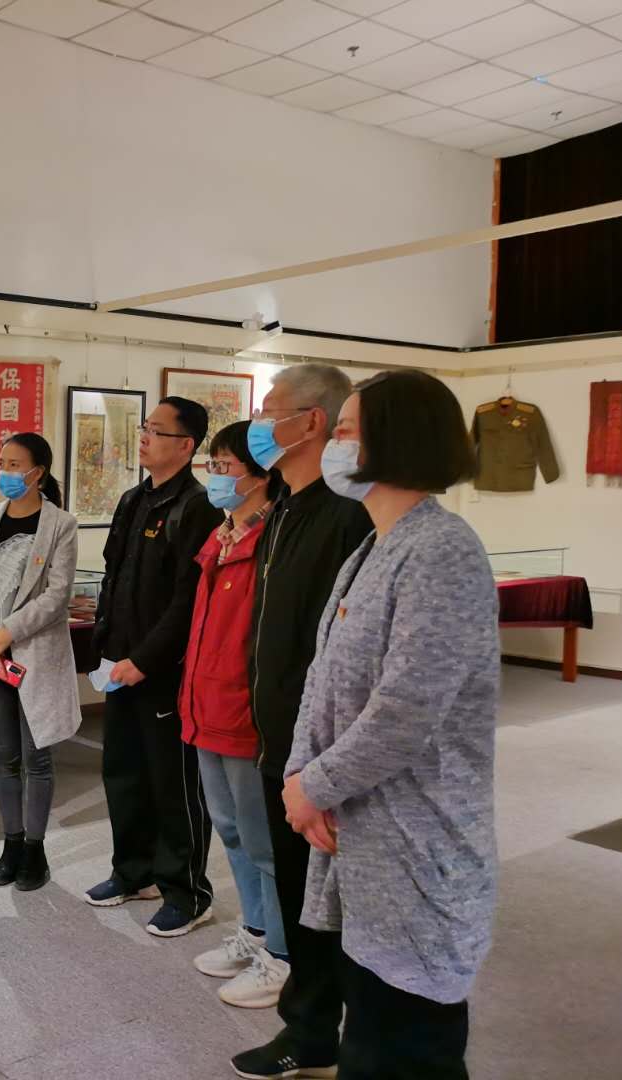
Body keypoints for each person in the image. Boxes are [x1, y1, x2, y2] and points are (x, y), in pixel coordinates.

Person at [282, 370, 497, 1079]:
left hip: (416, 836)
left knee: (405, 1044)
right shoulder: (373, 548)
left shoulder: (442, 550)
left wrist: (314, 785)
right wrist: (301, 777)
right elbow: (324, 680)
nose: (334, 445)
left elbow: (405, 711)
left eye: (345, 430)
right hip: (361, 830)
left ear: (397, 440)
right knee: (370, 1030)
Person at [231, 364, 372, 1080]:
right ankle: (310, 1027)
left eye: (269, 411)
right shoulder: (285, 505)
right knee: (296, 890)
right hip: (276, 734)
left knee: (329, 902)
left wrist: (321, 762)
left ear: (312, 421)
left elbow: (345, 655)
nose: (260, 425)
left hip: (319, 748)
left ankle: (322, 1027)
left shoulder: (348, 515)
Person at [85, 397, 224, 935]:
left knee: (174, 784)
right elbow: (113, 577)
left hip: (164, 670)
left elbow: (189, 600)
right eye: (144, 427)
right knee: (123, 773)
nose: (143, 437)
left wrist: (145, 660)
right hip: (119, 664)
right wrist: (106, 645)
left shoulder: (197, 507)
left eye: (156, 430)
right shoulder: (133, 499)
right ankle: (133, 871)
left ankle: (187, 892)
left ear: (185, 445)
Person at [177, 421, 286, 1009]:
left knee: (264, 840)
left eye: (224, 466)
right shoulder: (221, 536)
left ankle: (283, 955)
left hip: (243, 712)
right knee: (231, 829)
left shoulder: (273, 539)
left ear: (260, 475)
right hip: (205, 703)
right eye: (212, 465)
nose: (215, 477)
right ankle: (257, 930)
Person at [0, 432, 81, 892]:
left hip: (34, 653)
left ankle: (35, 848)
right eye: (2, 462)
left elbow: (57, 594)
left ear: (37, 472)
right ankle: (10, 843)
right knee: (3, 757)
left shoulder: (61, 524)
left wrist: (8, 633)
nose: (5, 472)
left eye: (15, 464)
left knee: (37, 757)